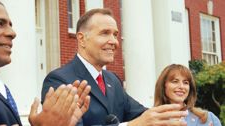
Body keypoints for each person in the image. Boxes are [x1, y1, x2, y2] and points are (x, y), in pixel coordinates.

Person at [41, 8, 188, 126]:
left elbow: (141, 114)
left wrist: (167, 119)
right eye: (105, 33)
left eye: (115, 35)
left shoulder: (113, 80)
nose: (114, 41)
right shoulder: (59, 80)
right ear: (81, 39)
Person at [154, 64, 222, 126]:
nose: (181, 86)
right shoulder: (152, 119)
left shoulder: (209, 118)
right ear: (163, 86)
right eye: (175, 81)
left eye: (185, 82)